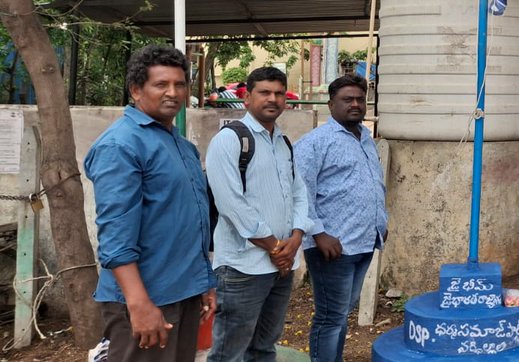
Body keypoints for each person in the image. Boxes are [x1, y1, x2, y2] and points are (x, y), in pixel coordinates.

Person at [84, 45, 216, 361]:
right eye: (161, 85)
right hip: (146, 298)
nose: (173, 92)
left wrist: (205, 283)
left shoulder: (181, 145)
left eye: (180, 84)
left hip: (183, 292)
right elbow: (115, 237)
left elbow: (192, 220)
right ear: (136, 90)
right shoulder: (121, 144)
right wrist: (139, 304)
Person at [206, 66, 316, 362]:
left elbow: (298, 194)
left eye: (279, 93)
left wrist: (295, 238)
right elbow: (231, 204)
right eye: (264, 92)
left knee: (264, 348)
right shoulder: (229, 140)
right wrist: (276, 247)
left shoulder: (283, 142)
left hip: (281, 267)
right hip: (243, 268)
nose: (273, 99)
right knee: (228, 353)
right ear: (247, 99)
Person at [294, 75, 389, 362]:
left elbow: (372, 184)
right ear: (331, 104)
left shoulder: (366, 139)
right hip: (332, 246)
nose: (356, 104)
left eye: (360, 99)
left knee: (341, 313)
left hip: (363, 240)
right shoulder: (314, 143)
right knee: (330, 317)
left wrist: (380, 222)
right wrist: (319, 233)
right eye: (348, 99)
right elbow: (300, 193)